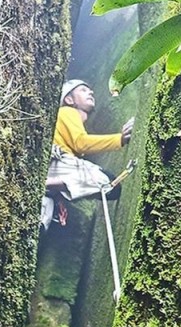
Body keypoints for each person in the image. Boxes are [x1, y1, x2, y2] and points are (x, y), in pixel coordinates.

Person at [40, 79, 134, 230]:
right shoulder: (66, 111)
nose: (90, 92)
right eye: (83, 90)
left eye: (90, 90)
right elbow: (81, 143)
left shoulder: (64, 119)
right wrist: (120, 139)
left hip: (52, 165)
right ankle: (47, 183)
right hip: (57, 161)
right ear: (69, 99)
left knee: (44, 216)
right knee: (108, 181)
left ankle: (49, 190)